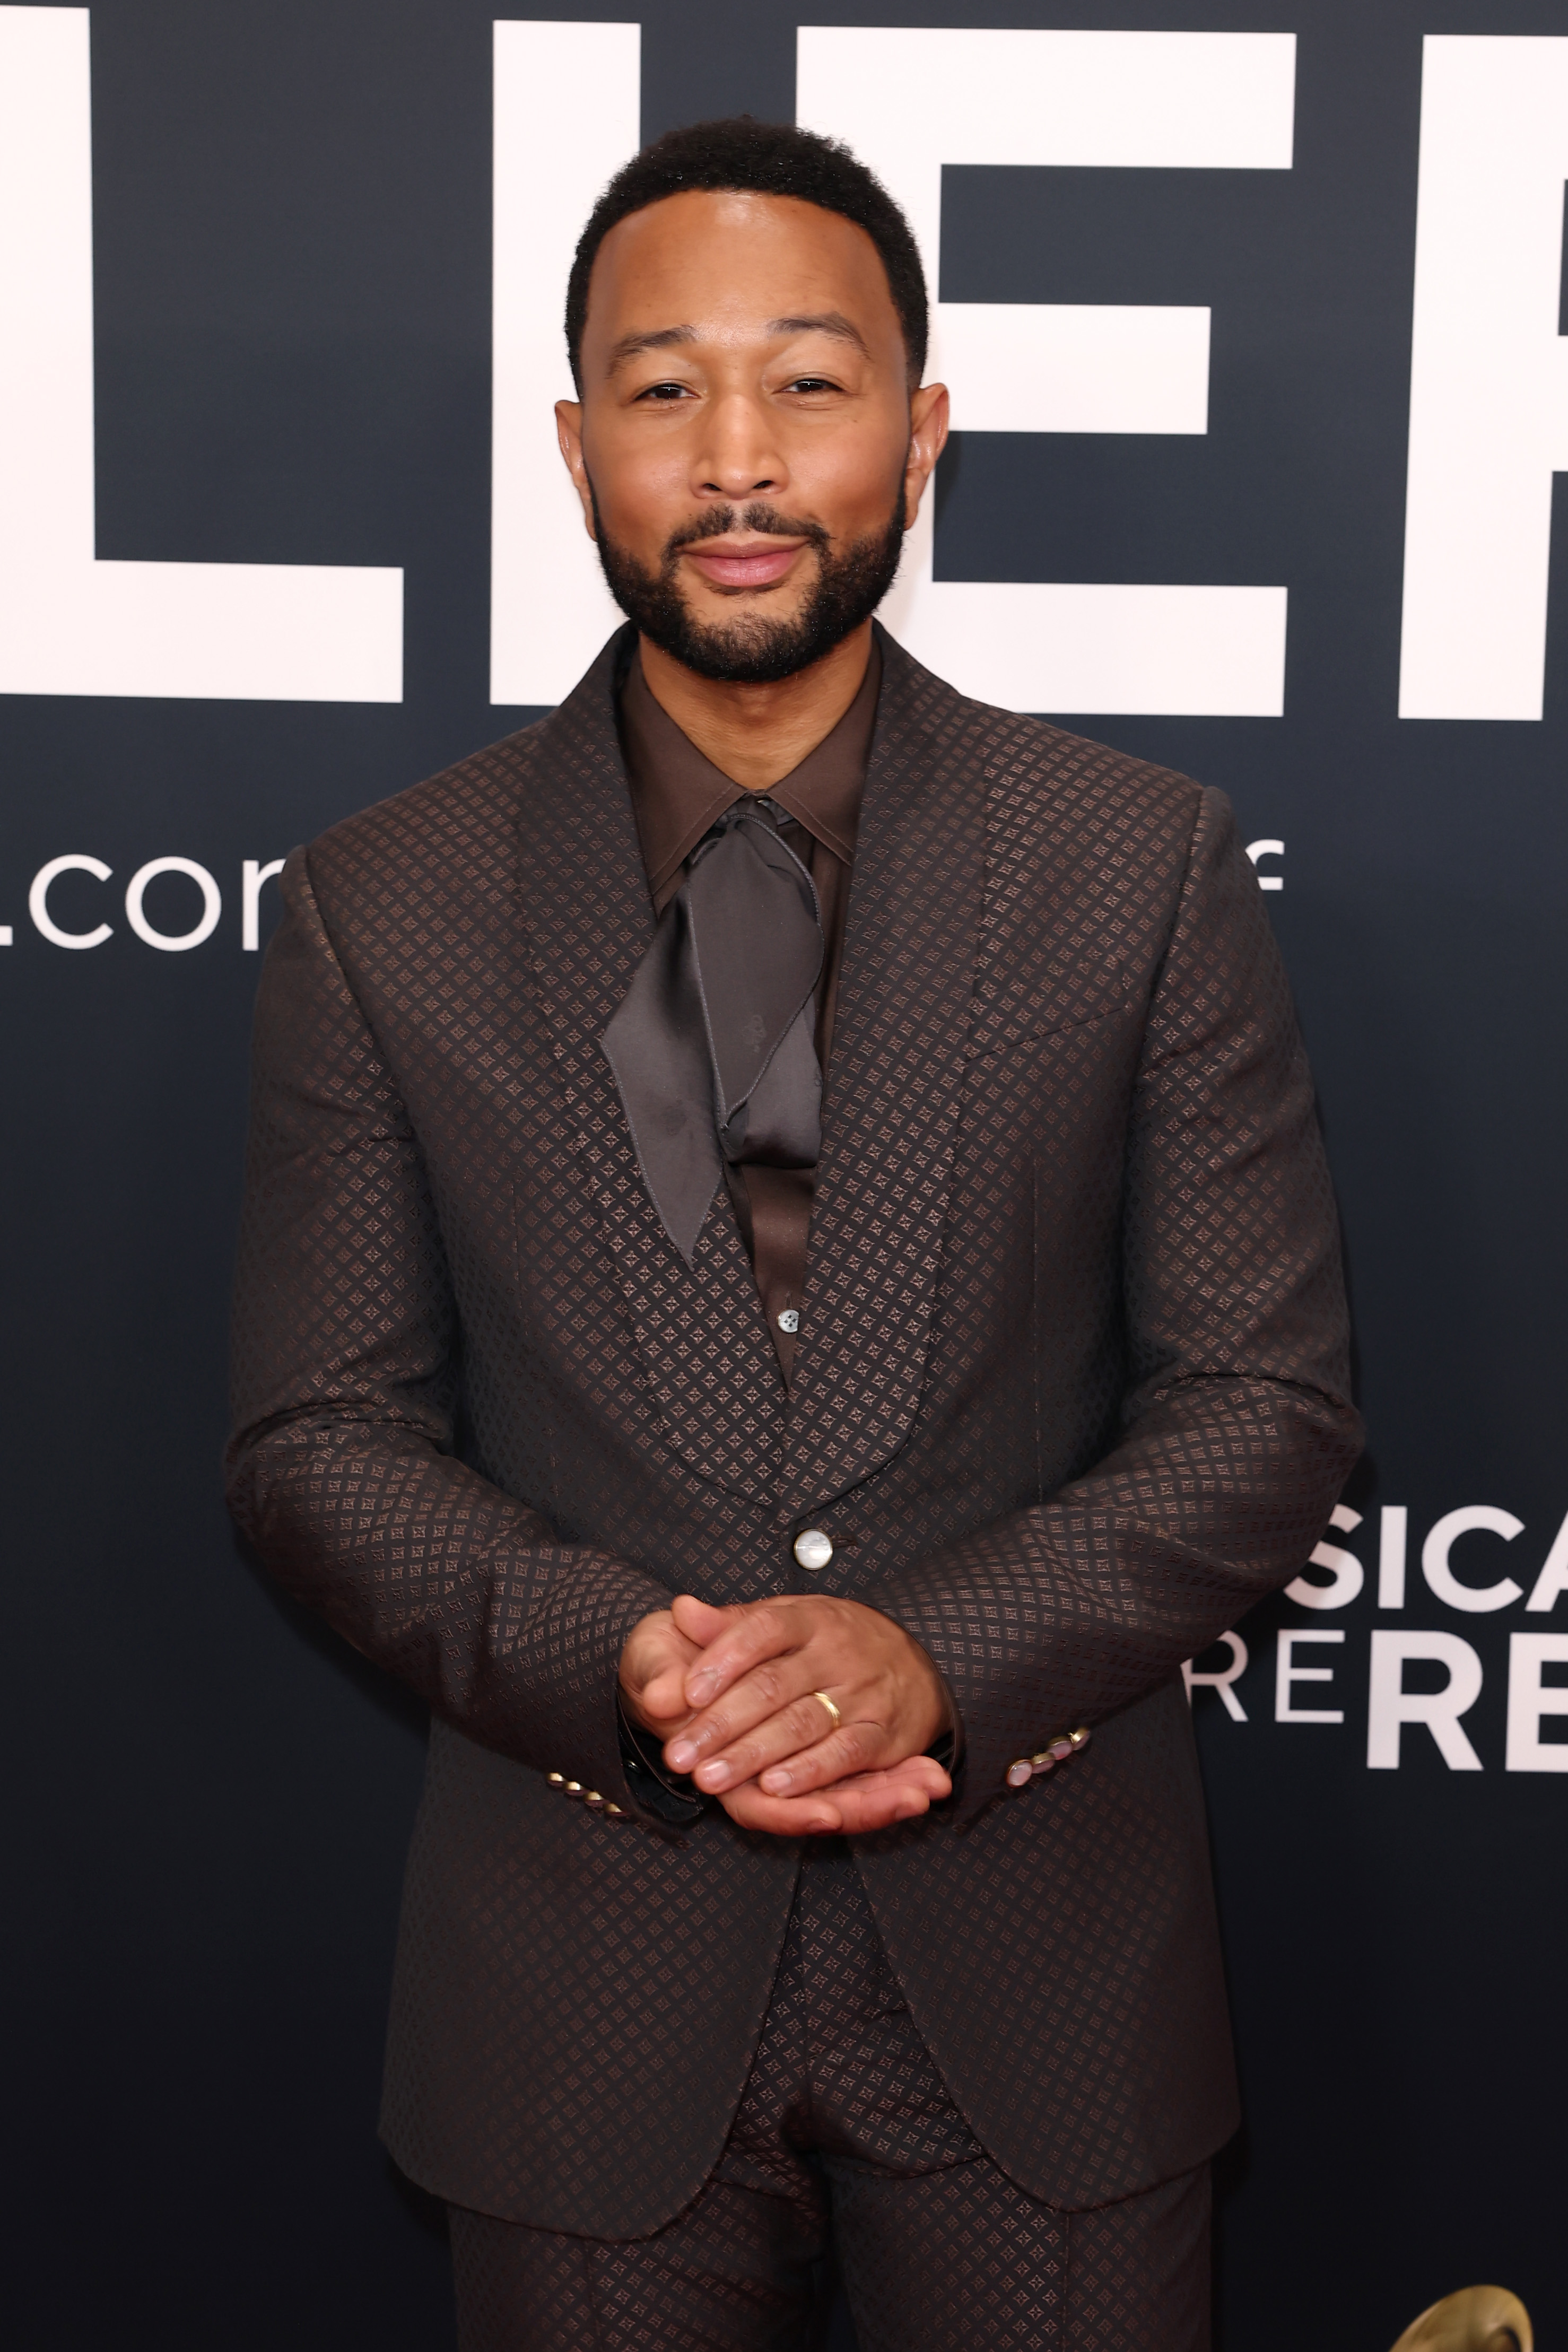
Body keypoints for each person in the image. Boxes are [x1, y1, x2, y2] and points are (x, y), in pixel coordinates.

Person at [227, 117, 1361, 2352]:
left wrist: (933, 1644)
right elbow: (316, 1436)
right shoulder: (389, 898)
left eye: (809, 382)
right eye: (662, 391)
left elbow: (1260, 1401)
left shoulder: (1129, 863)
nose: (736, 460)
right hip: (578, 1982)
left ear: (919, 429)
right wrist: (627, 1658)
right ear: (575, 449)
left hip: (1045, 1975)